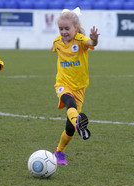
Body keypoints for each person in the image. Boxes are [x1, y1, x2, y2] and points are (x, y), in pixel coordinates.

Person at [52, 8, 100, 165]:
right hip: (63, 84)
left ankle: (59, 152)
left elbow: (91, 43)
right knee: (69, 103)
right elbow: (55, 48)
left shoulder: (80, 40)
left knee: (69, 128)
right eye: (61, 29)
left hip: (79, 88)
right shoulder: (57, 42)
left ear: (76, 28)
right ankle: (79, 124)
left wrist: (94, 39)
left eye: (67, 29)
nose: (64, 32)